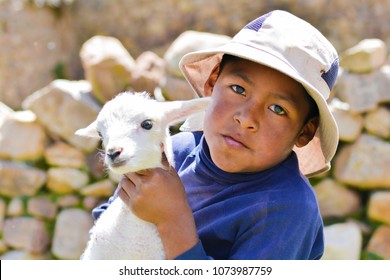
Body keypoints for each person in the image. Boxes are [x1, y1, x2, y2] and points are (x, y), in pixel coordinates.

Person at [92, 10, 339, 260]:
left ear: (305, 132)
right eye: (238, 89)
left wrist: (172, 219)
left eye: (278, 109)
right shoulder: (174, 152)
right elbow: (107, 227)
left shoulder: (287, 210)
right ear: (212, 83)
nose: (246, 118)